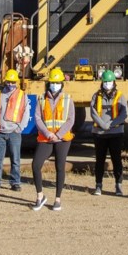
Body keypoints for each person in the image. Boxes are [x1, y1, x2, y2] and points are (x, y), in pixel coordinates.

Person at [31, 68, 75, 211]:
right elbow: (37, 118)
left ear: (61, 83)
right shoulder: (42, 99)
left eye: (57, 82)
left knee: (59, 167)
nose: (54, 85)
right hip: (46, 138)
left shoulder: (68, 99)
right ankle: (40, 196)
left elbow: (70, 120)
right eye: (52, 82)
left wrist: (59, 135)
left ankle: (57, 199)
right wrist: (47, 133)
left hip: (62, 139)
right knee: (36, 165)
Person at [0, 69, 28, 192]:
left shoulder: (22, 95)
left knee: (15, 160)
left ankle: (15, 182)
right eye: (8, 82)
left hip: (14, 133)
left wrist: (19, 128)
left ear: (16, 82)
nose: (10, 84)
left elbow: (25, 112)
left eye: (12, 82)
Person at [90, 69, 128, 196]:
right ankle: (98, 185)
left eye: (110, 81)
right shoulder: (96, 96)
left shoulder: (120, 96)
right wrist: (103, 125)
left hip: (116, 133)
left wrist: (111, 125)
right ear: (102, 82)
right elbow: (93, 112)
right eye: (105, 81)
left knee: (116, 160)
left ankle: (118, 185)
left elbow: (124, 114)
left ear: (114, 82)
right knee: (99, 160)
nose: (107, 83)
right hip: (99, 134)